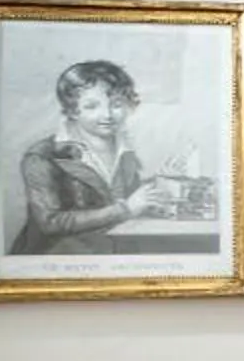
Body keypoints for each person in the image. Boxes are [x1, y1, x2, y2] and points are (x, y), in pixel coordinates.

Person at [10, 60, 174, 254]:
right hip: (60, 260)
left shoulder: (124, 150)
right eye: (91, 106)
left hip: (116, 254)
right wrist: (125, 210)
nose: (107, 115)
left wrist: (159, 183)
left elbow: (114, 194)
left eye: (116, 104)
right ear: (72, 110)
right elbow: (51, 222)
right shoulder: (43, 156)